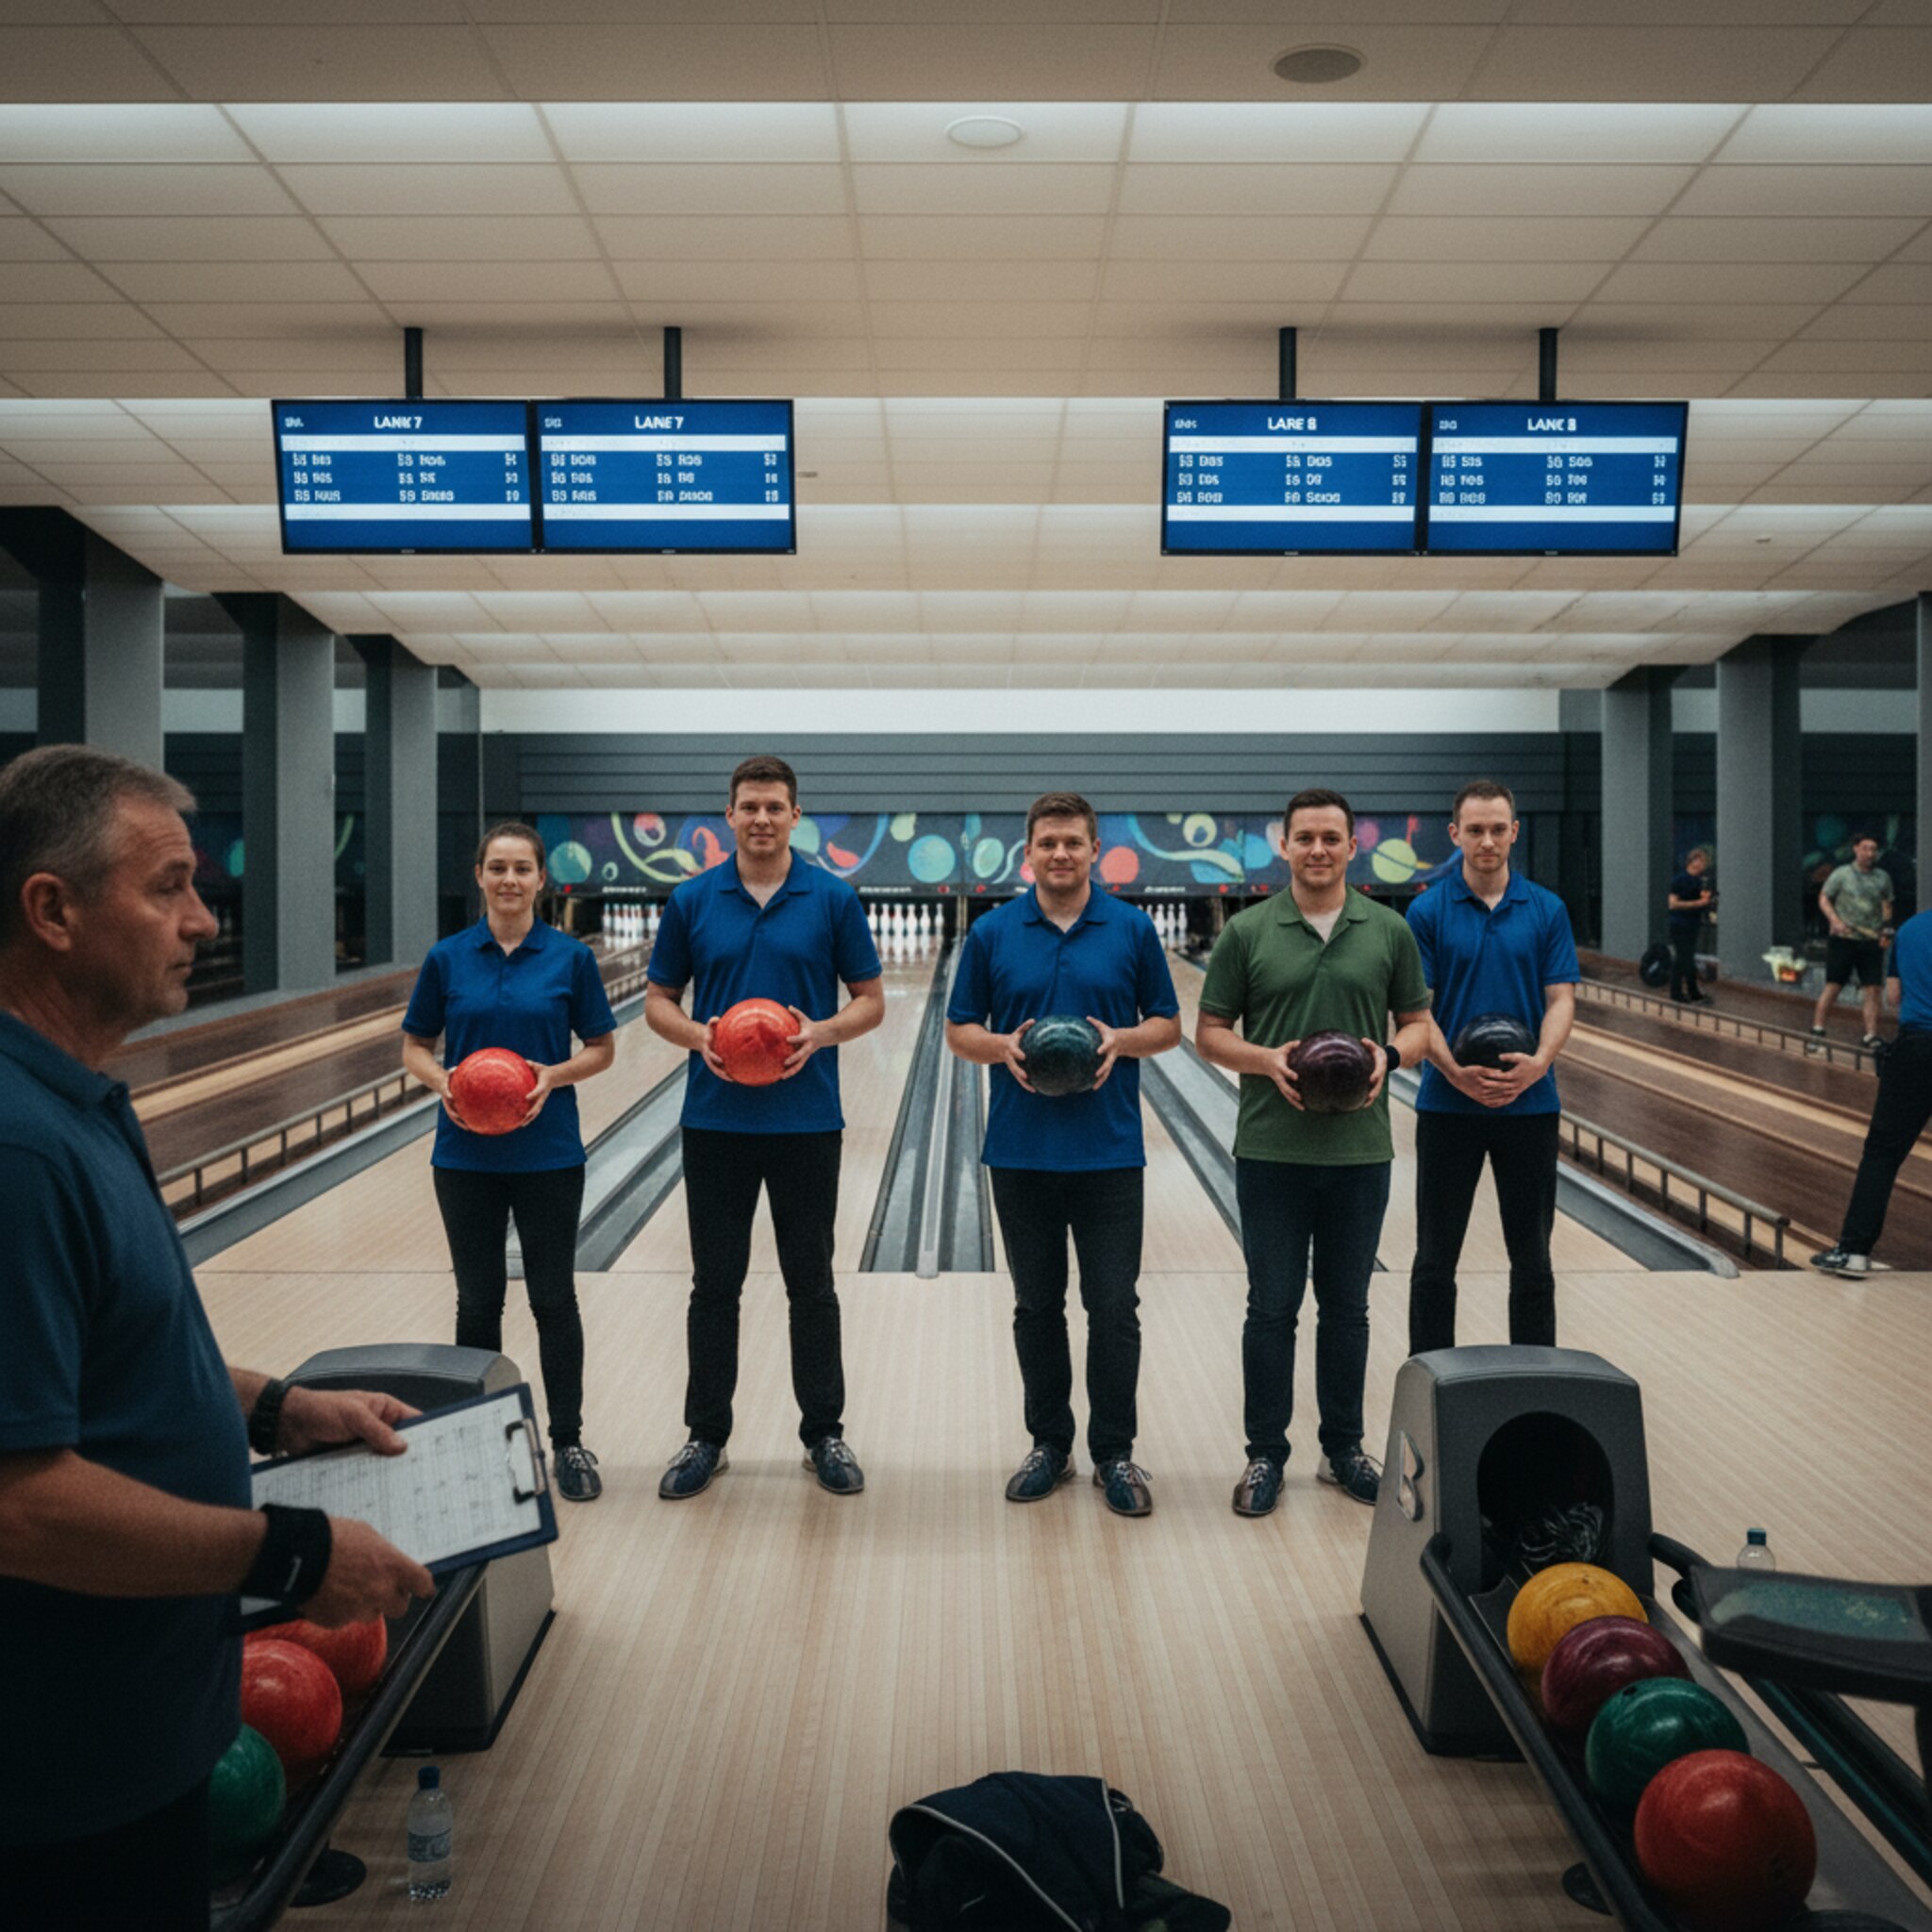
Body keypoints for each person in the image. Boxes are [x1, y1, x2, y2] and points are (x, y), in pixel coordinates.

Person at [0, 745, 433, 1932]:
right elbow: (16, 1500)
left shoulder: (72, 1103)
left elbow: (101, 1357)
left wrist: (273, 1407)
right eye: (169, 885)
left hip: (131, 1729)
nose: (203, 918)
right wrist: (289, 1557)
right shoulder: (19, 1151)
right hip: (57, 1779)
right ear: (52, 909)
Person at [644, 755, 884, 1500]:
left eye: (774, 807)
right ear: (729, 814)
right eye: (748, 806)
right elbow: (658, 1000)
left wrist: (822, 1032)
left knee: (811, 1284)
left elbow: (871, 999)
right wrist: (698, 1037)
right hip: (714, 1119)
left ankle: (825, 1435)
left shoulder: (833, 898)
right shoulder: (690, 900)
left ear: (794, 814)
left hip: (807, 1117)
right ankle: (705, 1437)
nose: (760, 819)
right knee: (714, 1284)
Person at [1196, 789, 1432, 1519]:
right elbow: (1209, 1034)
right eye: (1306, 838)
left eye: (1332, 837)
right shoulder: (1248, 932)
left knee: (1348, 1309)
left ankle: (1343, 1451)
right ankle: (1265, 1455)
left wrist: (1389, 1058)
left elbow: (1420, 1024)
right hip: (1271, 1149)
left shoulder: (1388, 930)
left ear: (1352, 846)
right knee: (1271, 1308)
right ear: (1285, 845)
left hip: (1361, 1152)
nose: (1319, 850)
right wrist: (1267, 1060)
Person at [944, 792, 1182, 1517]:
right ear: (1030, 852)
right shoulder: (991, 932)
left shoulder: (1134, 929)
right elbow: (959, 1030)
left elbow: (1168, 1026)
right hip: (1019, 1152)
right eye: (1048, 842)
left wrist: (1120, 1038)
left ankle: (1116, 1454)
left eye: (1073, 843)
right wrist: (1003, 1048)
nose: (1060, 854)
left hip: (1110, 1153)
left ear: (1092, 850)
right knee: (1036, 1307)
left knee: (1114, 1309)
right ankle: (1050, 1444)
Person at [402, 822, 616, 1502]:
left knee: (554, 1298)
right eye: (497, 868)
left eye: (522, 869)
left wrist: (553, 1075)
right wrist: (448, 1083)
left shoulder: (569, 959)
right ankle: (479, 1443)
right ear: (479, 876)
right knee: (478, 1300)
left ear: (540, 880)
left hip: (548, 1152)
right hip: (463, 1154)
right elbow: (414, 1048)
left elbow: (602, 1048)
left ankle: (569, 1443)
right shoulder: (447, 958)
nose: (509, 880)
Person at [1405, 780, 1580, 1354]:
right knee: (1435, 1258)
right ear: (1455, 834)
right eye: (1474, 830)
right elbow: (1414, 1010)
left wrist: (1539, 1065)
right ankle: (1429, 1376)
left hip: (1530, 1105)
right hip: (1447, 1104)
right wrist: (1455, 1072)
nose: (1487, 840)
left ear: (1514, 832)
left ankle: (1537, 1382)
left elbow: (1561, 999)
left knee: (1533, 1259)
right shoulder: (1427, 910)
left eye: (1497, 829)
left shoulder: (1547, 909)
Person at [1810, 906, 1932, 1279]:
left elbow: (1893, 995)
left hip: (1917, 1048)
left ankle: (1854, 1251)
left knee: (1882, 1153)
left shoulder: (1911, 930)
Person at [1808, 835, 1893, 1054]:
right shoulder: (1842, 874)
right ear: (1856, 849)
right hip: (1844, 940)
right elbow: (1824, 897)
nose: (1869, 853)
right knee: (1834, 985)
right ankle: (1818, 1030)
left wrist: (1885, 928)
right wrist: (1835, 921)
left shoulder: (1882, 877)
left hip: (1870, 940)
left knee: (1873, 988)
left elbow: (1886, 904)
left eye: (1873, 849)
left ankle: (1871, 1034)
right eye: (1865, 848)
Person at [1665, 848, 1714, 1005]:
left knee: (1687, 957)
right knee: (1682, 958)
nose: (1702, 865)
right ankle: (1678, 992)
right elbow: (1672, 904)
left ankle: (1692, 992)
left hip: (1693, 924)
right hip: (1679, 923)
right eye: (1700, 861)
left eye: (1704, 862)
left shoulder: (1700, 881)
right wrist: (1697, 903)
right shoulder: (1679, 880)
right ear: (1692, 861)